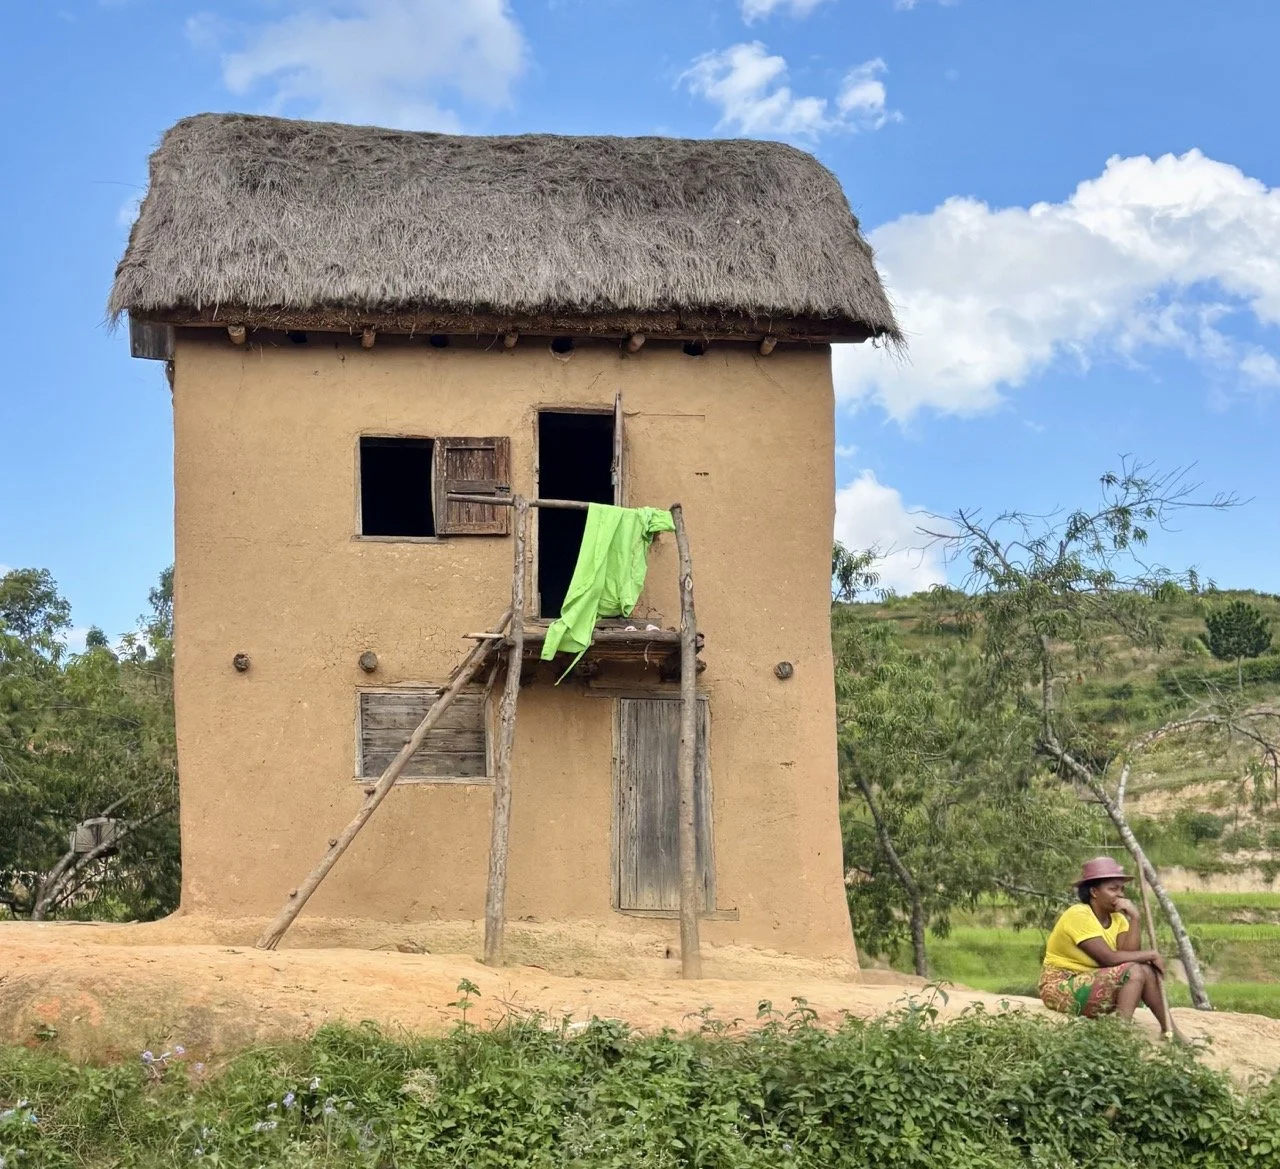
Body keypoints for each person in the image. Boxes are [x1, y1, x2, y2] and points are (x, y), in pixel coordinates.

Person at [1038, 856, 1173, 1036]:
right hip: (1061, 985)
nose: (1121, 894)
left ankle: (1169, 1029)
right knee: (1136, 970)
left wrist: (1135, 918)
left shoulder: (1118, 919)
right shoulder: (1078, 915)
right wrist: (1151, 954)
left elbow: (1129, 956)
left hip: (1096, 981)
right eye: (1113, 889)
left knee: (1143, 971)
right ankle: (1119, 1034)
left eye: (1122, 889)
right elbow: (1109, 959)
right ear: (1094, 892)